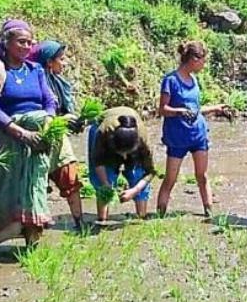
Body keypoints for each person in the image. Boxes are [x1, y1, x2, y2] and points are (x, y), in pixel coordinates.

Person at [0, 19, 58, 255]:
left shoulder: (35, 70)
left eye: (30, 42)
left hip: (39, 137)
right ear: (7, 43)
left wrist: (48, 122)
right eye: (21, 42)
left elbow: (50, 100)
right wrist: (19, 132)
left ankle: (32, 243)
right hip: (9, 137)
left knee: (35, 184)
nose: (27, 46)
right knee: (4, 187)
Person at [156, 40, 228, 217]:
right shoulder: (170, 81)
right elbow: (162, 109)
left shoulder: (194, 80)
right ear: (194, 59)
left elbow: (195, 109)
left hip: (198, 135)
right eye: (203, 61)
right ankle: (159, 215)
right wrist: (179, 111)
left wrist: (216, 108)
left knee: (202, 176)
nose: (204, 65)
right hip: (177, 137)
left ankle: (209, 213)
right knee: (170, 179)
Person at [29, 40, 84, 230]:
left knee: (70, 177)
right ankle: (36, 226)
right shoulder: (34, 83)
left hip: (59, 139)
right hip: (38, 139)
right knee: (38, 181)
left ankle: (80, 222)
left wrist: (75, 121)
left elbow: (62, 110)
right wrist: (61, 120)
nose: (65, 63)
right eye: (61, 59)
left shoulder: (59, 83)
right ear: (48, 62)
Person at [88, 107, 156, 221]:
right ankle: (102, 219)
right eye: (121, 153)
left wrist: (134, 190)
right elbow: (98, 161)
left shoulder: (143, 141)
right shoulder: (103, 132)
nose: (124, 157)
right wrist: (106, 184)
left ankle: (141, 216)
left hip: (131, 142)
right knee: (106, 177)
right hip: (104, 134)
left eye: (127, 153)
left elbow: (150, 172)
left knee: (137, 173)